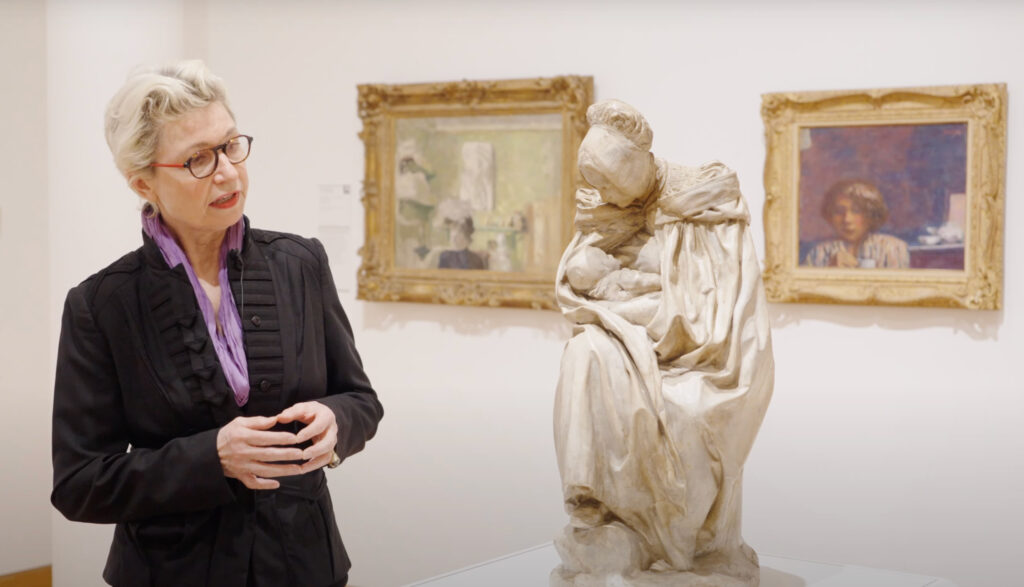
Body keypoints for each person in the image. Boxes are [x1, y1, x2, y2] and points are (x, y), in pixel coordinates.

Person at [50, 60, 383, 587]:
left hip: (304, 566)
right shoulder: (101, 304)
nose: (227, 171)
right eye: (197, 160)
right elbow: (80, 483)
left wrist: (336, 421)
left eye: (230, 145)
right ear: (144, 182)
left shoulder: (301, 262)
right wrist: (212, 458)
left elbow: (362, 400)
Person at [552, 100, 773, 586]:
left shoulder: (703, 194)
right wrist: (612, 287)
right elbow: (578, 275)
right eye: (595, 182)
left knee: (688, 409)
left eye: (609, 180)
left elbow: (712, 301)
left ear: (639, 161)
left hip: (707, 345)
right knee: (585, 350)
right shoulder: (607, 207)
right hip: (631, 325)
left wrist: (632, 287)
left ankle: (682, 543)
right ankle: (598, 510)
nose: (601, 193)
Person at [803, 179, 910, 268]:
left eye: (856, 211)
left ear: (870, 214)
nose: (847, 219)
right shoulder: (818, 253)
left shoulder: (892, 248)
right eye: (839, 212)